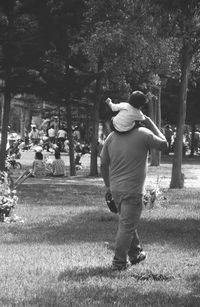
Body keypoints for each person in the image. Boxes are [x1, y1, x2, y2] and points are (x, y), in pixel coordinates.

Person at [100, 115, 168, 271]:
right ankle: (119, 263)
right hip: (133, 190)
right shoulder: (143, 133)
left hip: (115, 190)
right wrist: (151, 123)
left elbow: (103, 163)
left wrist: (108, 186)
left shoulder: (111, 136)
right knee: (126, 226)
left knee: (126, 222)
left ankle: (136, 254)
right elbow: (165, 145)